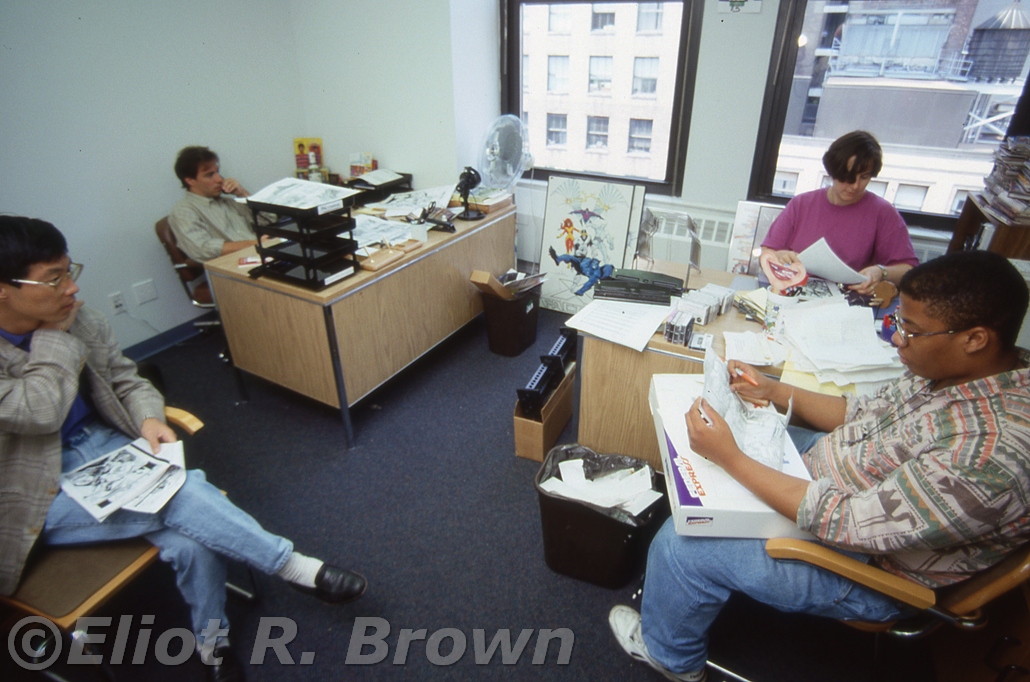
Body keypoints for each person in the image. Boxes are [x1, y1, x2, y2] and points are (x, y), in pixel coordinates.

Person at [609, 250, 1030, 682]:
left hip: (866, 564)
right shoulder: (957, 369)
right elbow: (861, 413)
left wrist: (732, 457)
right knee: (703, 446)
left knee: (684, 543)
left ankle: (671, 657)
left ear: (975, 339)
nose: (897, 339)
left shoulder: (989, 455)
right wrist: (773, 391)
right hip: (831, 474)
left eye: (910, 330)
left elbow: (847, 522)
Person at [0, 216, 367, 681]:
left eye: (70, 271)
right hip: (36, 492)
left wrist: (149, 416)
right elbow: (39, 410)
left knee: (189, 542)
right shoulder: (60, 327)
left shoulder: (79, 317)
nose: (72, 289)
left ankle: (213, 649)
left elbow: (126, 378)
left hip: (106, 449)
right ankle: (293, 566)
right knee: (180, 492)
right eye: (54, 279)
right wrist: (53, 336)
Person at [761, 130, 919, 295]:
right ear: (833, 171)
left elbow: (909, 270)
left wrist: (881, 272)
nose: (855, 186)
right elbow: (767, 253)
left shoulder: (883, 213)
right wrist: (781, 256)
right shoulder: (801, 204)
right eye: (847, 177)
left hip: (849, 302)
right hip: (794, 295)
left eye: (864, 177)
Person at [169, 146, 269, 263]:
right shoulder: (183, 211)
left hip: (261, 254)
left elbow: (268, 220)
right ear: (190, 180)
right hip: (233, 264)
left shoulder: (228, 202)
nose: (219, 179)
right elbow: (202, 249)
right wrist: (256, 243)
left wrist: (242, 193)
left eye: (217, 172)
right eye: (209, 175)